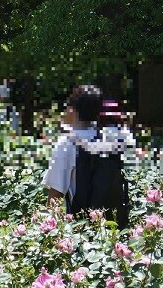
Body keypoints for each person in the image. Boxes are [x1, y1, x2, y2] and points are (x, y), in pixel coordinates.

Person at [43, 85, 131, 226]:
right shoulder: (107, 139)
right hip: (112, 225)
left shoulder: (66, 144)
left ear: (72, 110)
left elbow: (56, 195)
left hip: (80, 228)